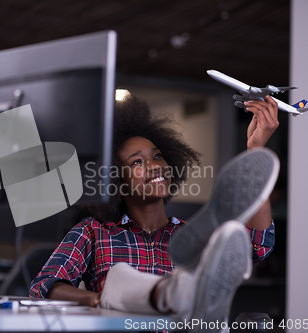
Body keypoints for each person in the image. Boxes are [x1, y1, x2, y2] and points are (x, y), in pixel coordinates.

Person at [29, 94, 279, 326]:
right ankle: (170, 293)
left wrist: (256, 150)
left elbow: (257, 246)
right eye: (137, 162)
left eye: (158, 156)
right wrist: (96, 299)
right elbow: (44, 285)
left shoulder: (190, 235)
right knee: (119, 278)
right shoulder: (93, 233)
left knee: (214, 250)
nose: (154, 166)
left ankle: (185, 300)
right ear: (114, 179)